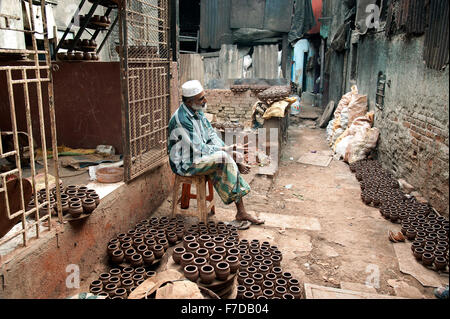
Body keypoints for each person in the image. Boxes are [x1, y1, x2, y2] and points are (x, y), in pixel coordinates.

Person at [168, 80, 264, 226]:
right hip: (185, 163)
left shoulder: (197, 111)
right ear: (189, 102)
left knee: (225, 158)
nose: (205, 100)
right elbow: (199, 148)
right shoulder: (182, 119)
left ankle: (241, 212)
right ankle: (241, 212)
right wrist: (226, 152)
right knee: (222, 158)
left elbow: (212, 136)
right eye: (201, 99)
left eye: (203, 96)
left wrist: (229, 150)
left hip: (198, 156)